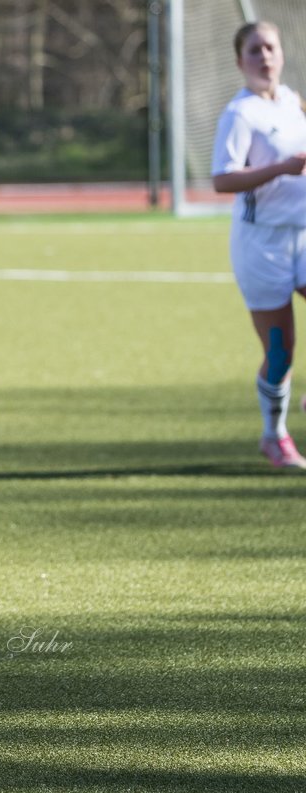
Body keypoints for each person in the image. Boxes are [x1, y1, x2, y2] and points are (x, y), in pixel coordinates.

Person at [212, 21, 306, 469]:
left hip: (303, 235)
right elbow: (223, 179)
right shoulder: (240, 114)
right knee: (280, 348)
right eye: (254, 50)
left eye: (269, 47)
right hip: (261, 246)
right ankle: (274, 436)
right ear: (239, 61)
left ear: (282, 54)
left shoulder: (292, 103)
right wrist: (281, 169)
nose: (264, 56)